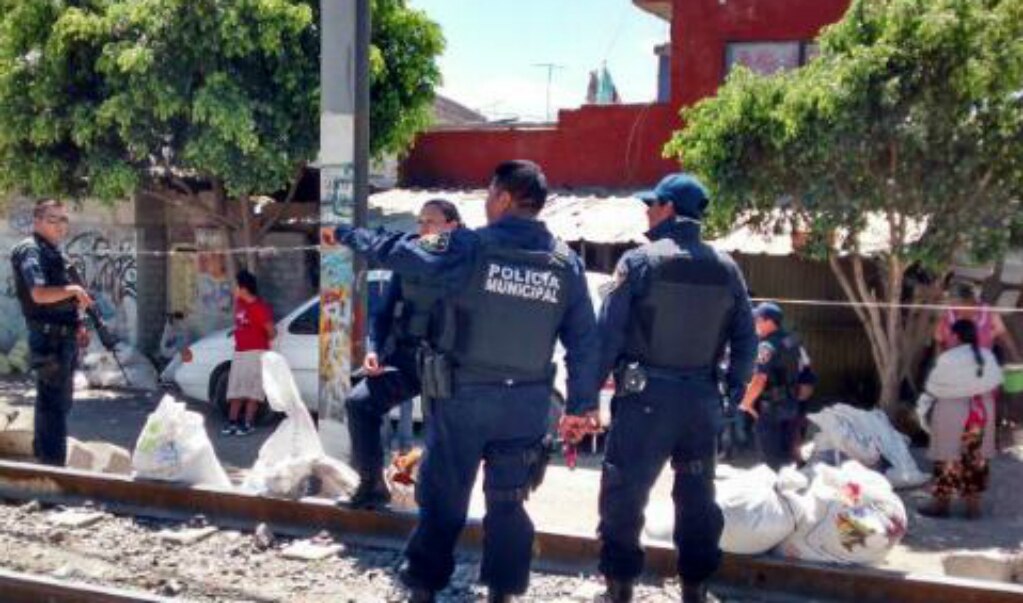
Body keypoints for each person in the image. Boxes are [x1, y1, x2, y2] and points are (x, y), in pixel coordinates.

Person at [332, 160, 600, 603]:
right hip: (527, 406)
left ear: (505, 198)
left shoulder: (466, 244)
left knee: (443, 500)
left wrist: (348, 236)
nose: (486, 201)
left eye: (489, 193)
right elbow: (584, 341)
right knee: (509, 502)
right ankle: (503, 592)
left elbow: (402, 249)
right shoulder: (564, 262)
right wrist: (580, 404)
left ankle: (423, 588)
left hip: (464, 401)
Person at [594, 173, 757, 603]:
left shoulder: (639, 261)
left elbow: (607, 336)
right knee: (698, 498)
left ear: (668, 208)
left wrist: (582, 400)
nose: (647, 212)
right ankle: (695, 588)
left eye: (652, 204)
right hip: (701, 406)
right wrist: (731, 395)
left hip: (646, 401)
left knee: (625, 493)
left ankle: (621, 586)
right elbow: (747, 340)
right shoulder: (727, 268)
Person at [344, 199, 463, 509]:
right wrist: (373, 351)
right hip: (407, 361)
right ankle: (371, 485)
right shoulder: (407, 262)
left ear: (453, 226)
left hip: (450, 366)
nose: (422, 228)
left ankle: (440, 503)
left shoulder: (466, 260)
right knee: (359, 403)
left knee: (443, 437)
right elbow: (382, 316)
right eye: (420, 221)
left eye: (430, 222)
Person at [10, 199, 93, 466]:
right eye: (52, 219)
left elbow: (65, 297)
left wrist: (79, 323)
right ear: (37, 221)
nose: (59, 226)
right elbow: (39, 294)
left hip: (64, 336)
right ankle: (53, 467)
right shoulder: (30, 251)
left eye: (63, 220)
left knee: (57, 402)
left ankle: (43, 456)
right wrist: (72, 291)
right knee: (54, 405)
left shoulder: (54, 252)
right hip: (48, 339)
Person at [918, 319, 1003, 519]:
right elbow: (996, 381)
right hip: (980, 413)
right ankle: (973, 508)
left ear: (955, 336)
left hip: (952, 412)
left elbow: (933, 387)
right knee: (975, 459)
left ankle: (942, 505)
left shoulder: (948, 358)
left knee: (948, 458)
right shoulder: (987, 356)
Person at [739, 302, 810, 470]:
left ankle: (776, 490)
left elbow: (759, 379)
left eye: (757, 319)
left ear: (768, 321)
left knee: (771, 459)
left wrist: (746, 403)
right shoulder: (792, 341)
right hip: (791, 405)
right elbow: (805, 369)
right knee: (787, 456)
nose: (754, 323)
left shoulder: (766, 346)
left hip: (771, 409)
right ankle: (788, 487)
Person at [221, 269, 275, 436]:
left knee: (252, 390)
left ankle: (247, 423)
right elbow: (241, 323)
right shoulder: (240, 304)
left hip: (256, 353)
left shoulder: (259, 308)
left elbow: (271, 332)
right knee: (236, 388)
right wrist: (237, 332)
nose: (234, 289)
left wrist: (254, 334)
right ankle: (232, 423)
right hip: (240, 352)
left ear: (244, 289)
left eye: (236, 286)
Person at [934, 281, 1019, 360]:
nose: (955, 307)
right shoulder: (947, 315)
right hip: (954, 363)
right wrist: (939, 362)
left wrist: (1017, 359)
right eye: (954, 304)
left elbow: (1004, 337)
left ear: (970, 300)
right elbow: (939, 342)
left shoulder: (988, 314)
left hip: (982, 362)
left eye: (959, 303)